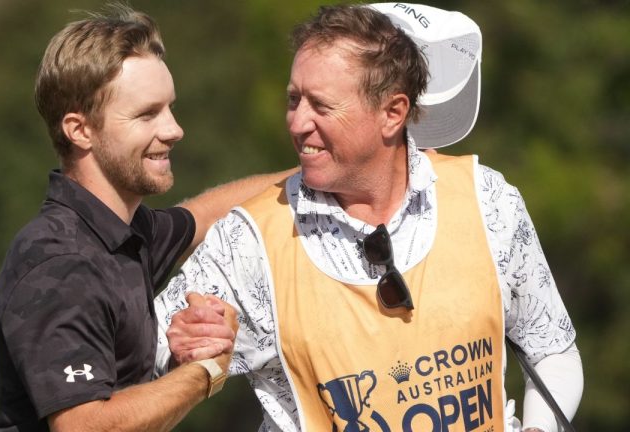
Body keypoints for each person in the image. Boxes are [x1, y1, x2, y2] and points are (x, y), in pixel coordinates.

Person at [155, 3, 583, 432]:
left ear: (393, 113)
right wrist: (180, 351)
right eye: (293, 99)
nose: (298, 122)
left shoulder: (488, 199)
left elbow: (551, 348)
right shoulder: (247, 243)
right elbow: (135, 357)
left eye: (321, 105)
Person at [0, 3, 294, 431]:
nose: (174, 129)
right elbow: (85, 427)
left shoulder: (124, 231)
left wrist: (324, 170)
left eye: (169, 108)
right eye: (147, 114)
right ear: (80, 130)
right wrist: (205, 371)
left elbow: (204, 214)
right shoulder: (60, 263)